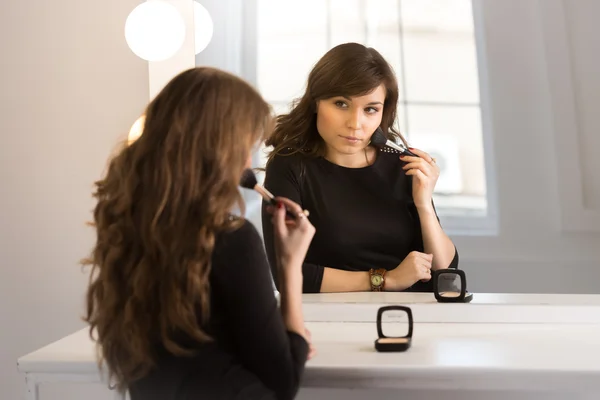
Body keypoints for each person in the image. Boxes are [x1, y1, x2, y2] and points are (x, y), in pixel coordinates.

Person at [82, 67, 316, 400]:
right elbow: (284, 382)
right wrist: (290, 266)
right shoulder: (233, 240)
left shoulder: (130, 230)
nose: (247, 163)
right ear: (217, 150)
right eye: (243, 147)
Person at [261, 42, 459, 294]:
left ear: (383, 112)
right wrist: (385, 279)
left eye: (370, 109)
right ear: (315, 102)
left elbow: (446, 273)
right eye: (341, 104)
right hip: (330, 321)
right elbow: (286, 273)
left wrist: (424, 204)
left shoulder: (401, 165)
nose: (355, 123)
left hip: (411, 318)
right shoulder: (289, 166)